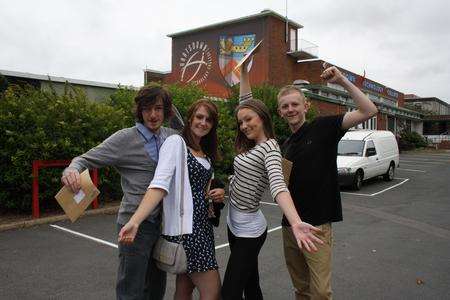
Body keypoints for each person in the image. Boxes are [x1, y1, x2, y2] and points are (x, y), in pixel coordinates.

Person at [240, 59, 378, 299]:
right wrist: (243, 75)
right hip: (289, 228)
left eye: (295, 104)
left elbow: (369, 111)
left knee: (321, 292)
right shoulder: (284, 145)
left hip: (317, 227)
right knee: (301, 289)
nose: (290, 109)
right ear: (280, 112)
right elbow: (247, 113)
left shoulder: (324, 127)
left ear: (306, 105)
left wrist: (342, 80)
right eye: (285, 106)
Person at [61, 84, 184, 300]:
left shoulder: (170, 136)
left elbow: (184, 129)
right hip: (134, 226)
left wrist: (170, 106)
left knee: (156, 288)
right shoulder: (124, 138)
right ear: (139, 111)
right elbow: (84, 159)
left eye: (158, 108)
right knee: (131, 289)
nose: (153, 115)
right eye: (146, 109)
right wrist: (71, 170)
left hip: (162, 224)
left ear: (166, 110)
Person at [221, 66, 324, 299]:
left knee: (229, 293)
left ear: (263, 117)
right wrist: (245, 73)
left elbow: (278, 186)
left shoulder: (270, 148)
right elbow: (246, 102)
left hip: (250, 230)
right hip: (232, 222)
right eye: (241, 122)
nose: (244, 125)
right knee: (251, 284)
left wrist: (296, 222)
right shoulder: (251, 143)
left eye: (248, 120)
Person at [118, 99, 224, 300]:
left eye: (208, 120)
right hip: (188, 233)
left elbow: (196, 189)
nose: (203, 123)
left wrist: (216, 193)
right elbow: (160, 185)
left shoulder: (205, 153)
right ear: (190, 118)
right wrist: (135, 221)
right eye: (199, 117)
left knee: (184, 290)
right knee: (213, 291)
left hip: (203, 228)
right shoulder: (176, 143)